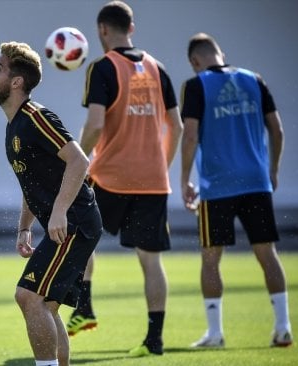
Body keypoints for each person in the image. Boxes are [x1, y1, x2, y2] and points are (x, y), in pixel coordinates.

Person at [76, 1, 183, 357]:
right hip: (153, 180)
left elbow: (94, 126)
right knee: (150, 260)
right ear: (131, 28)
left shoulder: (103, 68)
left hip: (109, 176)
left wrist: (77, 159)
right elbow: (177, 126)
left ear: (102, 30)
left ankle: (85, 308)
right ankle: (155, 340)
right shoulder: (158, 68)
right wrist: (161, 165)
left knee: (77, 235)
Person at [0, 41, 102, 366]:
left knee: (28, 297)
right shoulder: (14, 127)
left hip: (75, 221)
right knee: (46, 306)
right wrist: (24, 227)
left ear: (17, 81)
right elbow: (32, 184)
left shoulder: (36, 117)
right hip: (70, 223)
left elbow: (79, 162)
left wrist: (60, 212)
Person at [181, 32, 293, 348]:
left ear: (195, 62)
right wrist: (272, 169)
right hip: (256, 181)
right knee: (267, 253)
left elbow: (189, 137)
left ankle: (215, 334)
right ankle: (283, 327)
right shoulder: (253, 79)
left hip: (217, 185)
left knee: (211, 258)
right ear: (220, 52)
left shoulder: (196, 84)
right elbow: (278, 129)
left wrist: (184, 179)